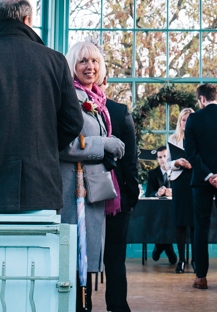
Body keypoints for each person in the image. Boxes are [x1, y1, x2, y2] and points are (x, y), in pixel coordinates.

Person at [0, 0, 84, 212]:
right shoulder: (55, 60)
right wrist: (44, 148)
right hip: (41, 185)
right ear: (27, 19)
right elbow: (73, 122)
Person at [59, 41, 126, 312]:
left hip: (91, 190)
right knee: (75, 262)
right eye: (84, 61)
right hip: (73, 191)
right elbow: (63, 144)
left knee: (84, 264)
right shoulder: (68, 98)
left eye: (95, 61)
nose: (91, 67)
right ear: (72, 65)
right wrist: (103, 144)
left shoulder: (94, 97)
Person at [185, 84, 217, 290]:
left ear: (201, 100)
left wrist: (208, 175)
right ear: (216, 97)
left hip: (201, 180)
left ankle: (201, 277)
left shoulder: (194, 119)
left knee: (201, 227)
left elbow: (191, 152)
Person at [102, 76, 139, 312]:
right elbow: (130, 161)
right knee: (115, 259)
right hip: (117, 194)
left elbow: (130, 157)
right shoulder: (120, 111)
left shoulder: (118, 111)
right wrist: (131, 193)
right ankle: (117, 307)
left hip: (114, 197)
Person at [166, 107, 195, 273]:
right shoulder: (173, 139)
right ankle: (181, 260)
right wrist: (177, 163)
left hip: (194, 181)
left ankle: (196, 260)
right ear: (180, 122)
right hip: (179, 182)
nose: (185, 123)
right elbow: (166, 164)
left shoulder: (198, 137)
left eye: (188, 119)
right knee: (180, 222)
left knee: (194, 223)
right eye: (183, 120)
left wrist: (193, 164)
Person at [146, 147, 177, 266]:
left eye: (165, 156)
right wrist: (156, 193)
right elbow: (148, 193)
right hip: (157, 214)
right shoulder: (152, 174)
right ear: (157, 159)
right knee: (160, 219)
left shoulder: (176, 173)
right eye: (160, 157)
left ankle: (159, 247)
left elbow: (185, 192)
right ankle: (168, 248)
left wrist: (173, 192)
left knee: (170, 220)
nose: (163, 160)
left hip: (173, 212)